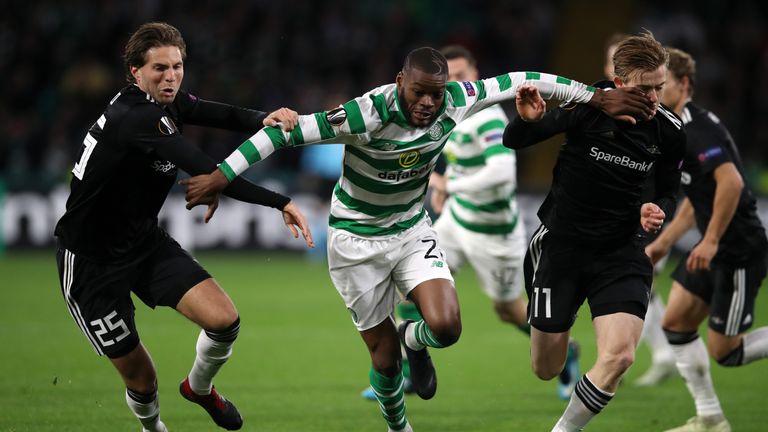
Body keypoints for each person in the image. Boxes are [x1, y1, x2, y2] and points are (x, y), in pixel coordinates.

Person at [182, 46, 654, 432]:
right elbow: (283, 135)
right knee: (384, 363)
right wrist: (222, 174)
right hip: (355, 241)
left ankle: (416, 338)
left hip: (410, 229)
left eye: (436, 94)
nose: (428, 103)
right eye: (419, 93)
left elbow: (521, 77)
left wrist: (594, 98)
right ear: (400, 81)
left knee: (448, 326)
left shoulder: (457, 99)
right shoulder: (365, 113)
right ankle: (398, 425)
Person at [53, 22, 314, 432]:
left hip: (143, 243)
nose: (171, 76)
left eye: (177, 67)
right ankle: (153, 428)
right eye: (159, 68)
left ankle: (199, 387)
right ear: (135, 72)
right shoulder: (136, 116)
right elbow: (210, 171)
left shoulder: (164, 102)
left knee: (224, 320)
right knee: (142, 378)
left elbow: (217, 113)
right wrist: (279, 201)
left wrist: (264, 118)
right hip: (91, 263)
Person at [504, 31, 686, 431]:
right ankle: (565, 349)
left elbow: (670, 188)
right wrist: (526, 121)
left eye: (660, 87)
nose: (655, 98)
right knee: (545, 368)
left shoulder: (669, 130)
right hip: (561, 248)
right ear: (618, 83)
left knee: (620, 356)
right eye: (645, 89)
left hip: (620, 251)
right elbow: (515, 140)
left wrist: (659, 208)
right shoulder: (585, 106)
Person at [427, 44, 580, 400]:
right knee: (413, 280)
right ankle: (408, 369)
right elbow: (461, 160)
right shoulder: (451, 113)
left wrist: (450, 185)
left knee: (508, 311)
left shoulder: (488, 117)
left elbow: (501, 172)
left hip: (493, 235)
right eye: (448, 79)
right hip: (456, 221)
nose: (455, 84)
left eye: (462, 76)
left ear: (476, 75)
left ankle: (564, 348)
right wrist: (446, 190)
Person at [645, 47, 768, 432]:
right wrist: (668, 240)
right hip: (712, 248)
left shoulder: (699, 129)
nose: (654, 92)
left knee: (726, 352)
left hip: (737, 250)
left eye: (661, 85)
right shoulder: (677, 128)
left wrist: (711, 240)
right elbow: (700, 195)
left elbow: (731, 182)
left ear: (683, 85)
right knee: (676, 324)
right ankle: (711, 418)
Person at [605, 32, 679, 387]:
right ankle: (659, 352)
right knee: (641, 287)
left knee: (628, 285)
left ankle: (616, 358)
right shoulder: (606, 112)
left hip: (647, 217)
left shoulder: (664, 122)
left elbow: (671, 181)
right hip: (623, 216)